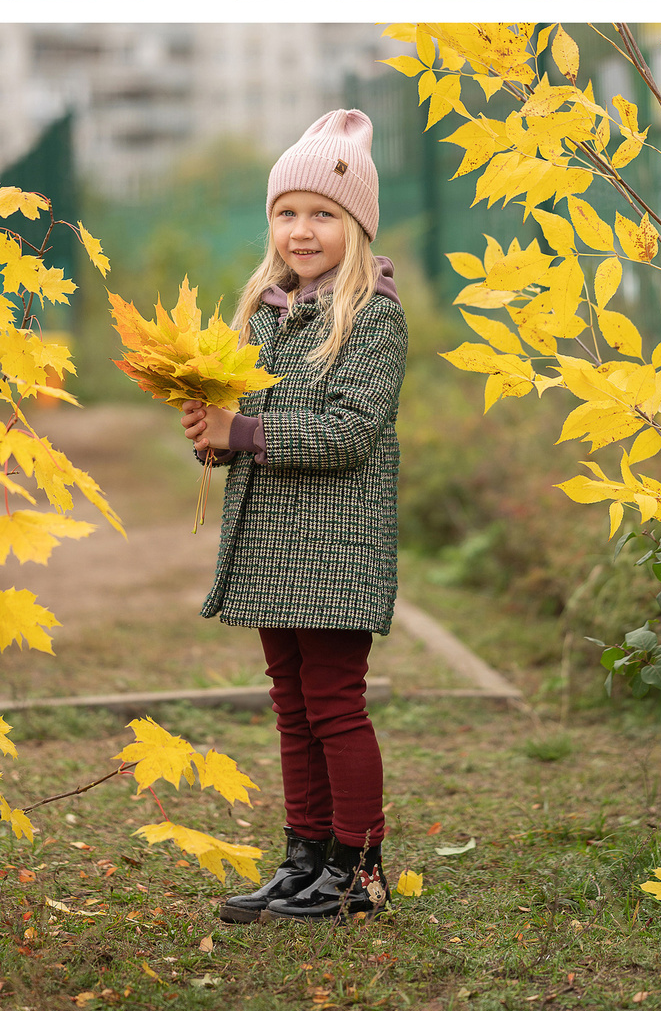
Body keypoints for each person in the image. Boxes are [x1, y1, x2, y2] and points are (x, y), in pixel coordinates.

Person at [187, 110, 406, 923]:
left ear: (355, 224)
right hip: (271, 543)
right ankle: (306, 856)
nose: (302, 230)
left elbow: (350, 432)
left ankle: (359, 868)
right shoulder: (267, 310)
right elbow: (242, 424)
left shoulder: (372, 317)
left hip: (335, 547)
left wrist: (242, 431)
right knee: (290, 702)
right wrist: (213, 440)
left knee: (335, 704)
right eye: (287, 212)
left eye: (323, 214)